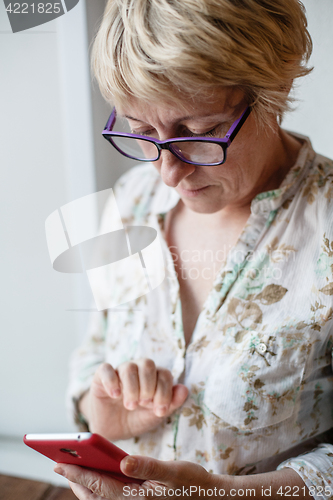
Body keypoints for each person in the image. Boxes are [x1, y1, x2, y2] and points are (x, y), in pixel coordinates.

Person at [55, 0, 333, 498]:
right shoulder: (131, 202)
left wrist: (224, 494)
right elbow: (92, 352)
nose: (168, 171)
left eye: (200, 132)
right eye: (141, 131)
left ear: (276, 88)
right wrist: (103, 414)